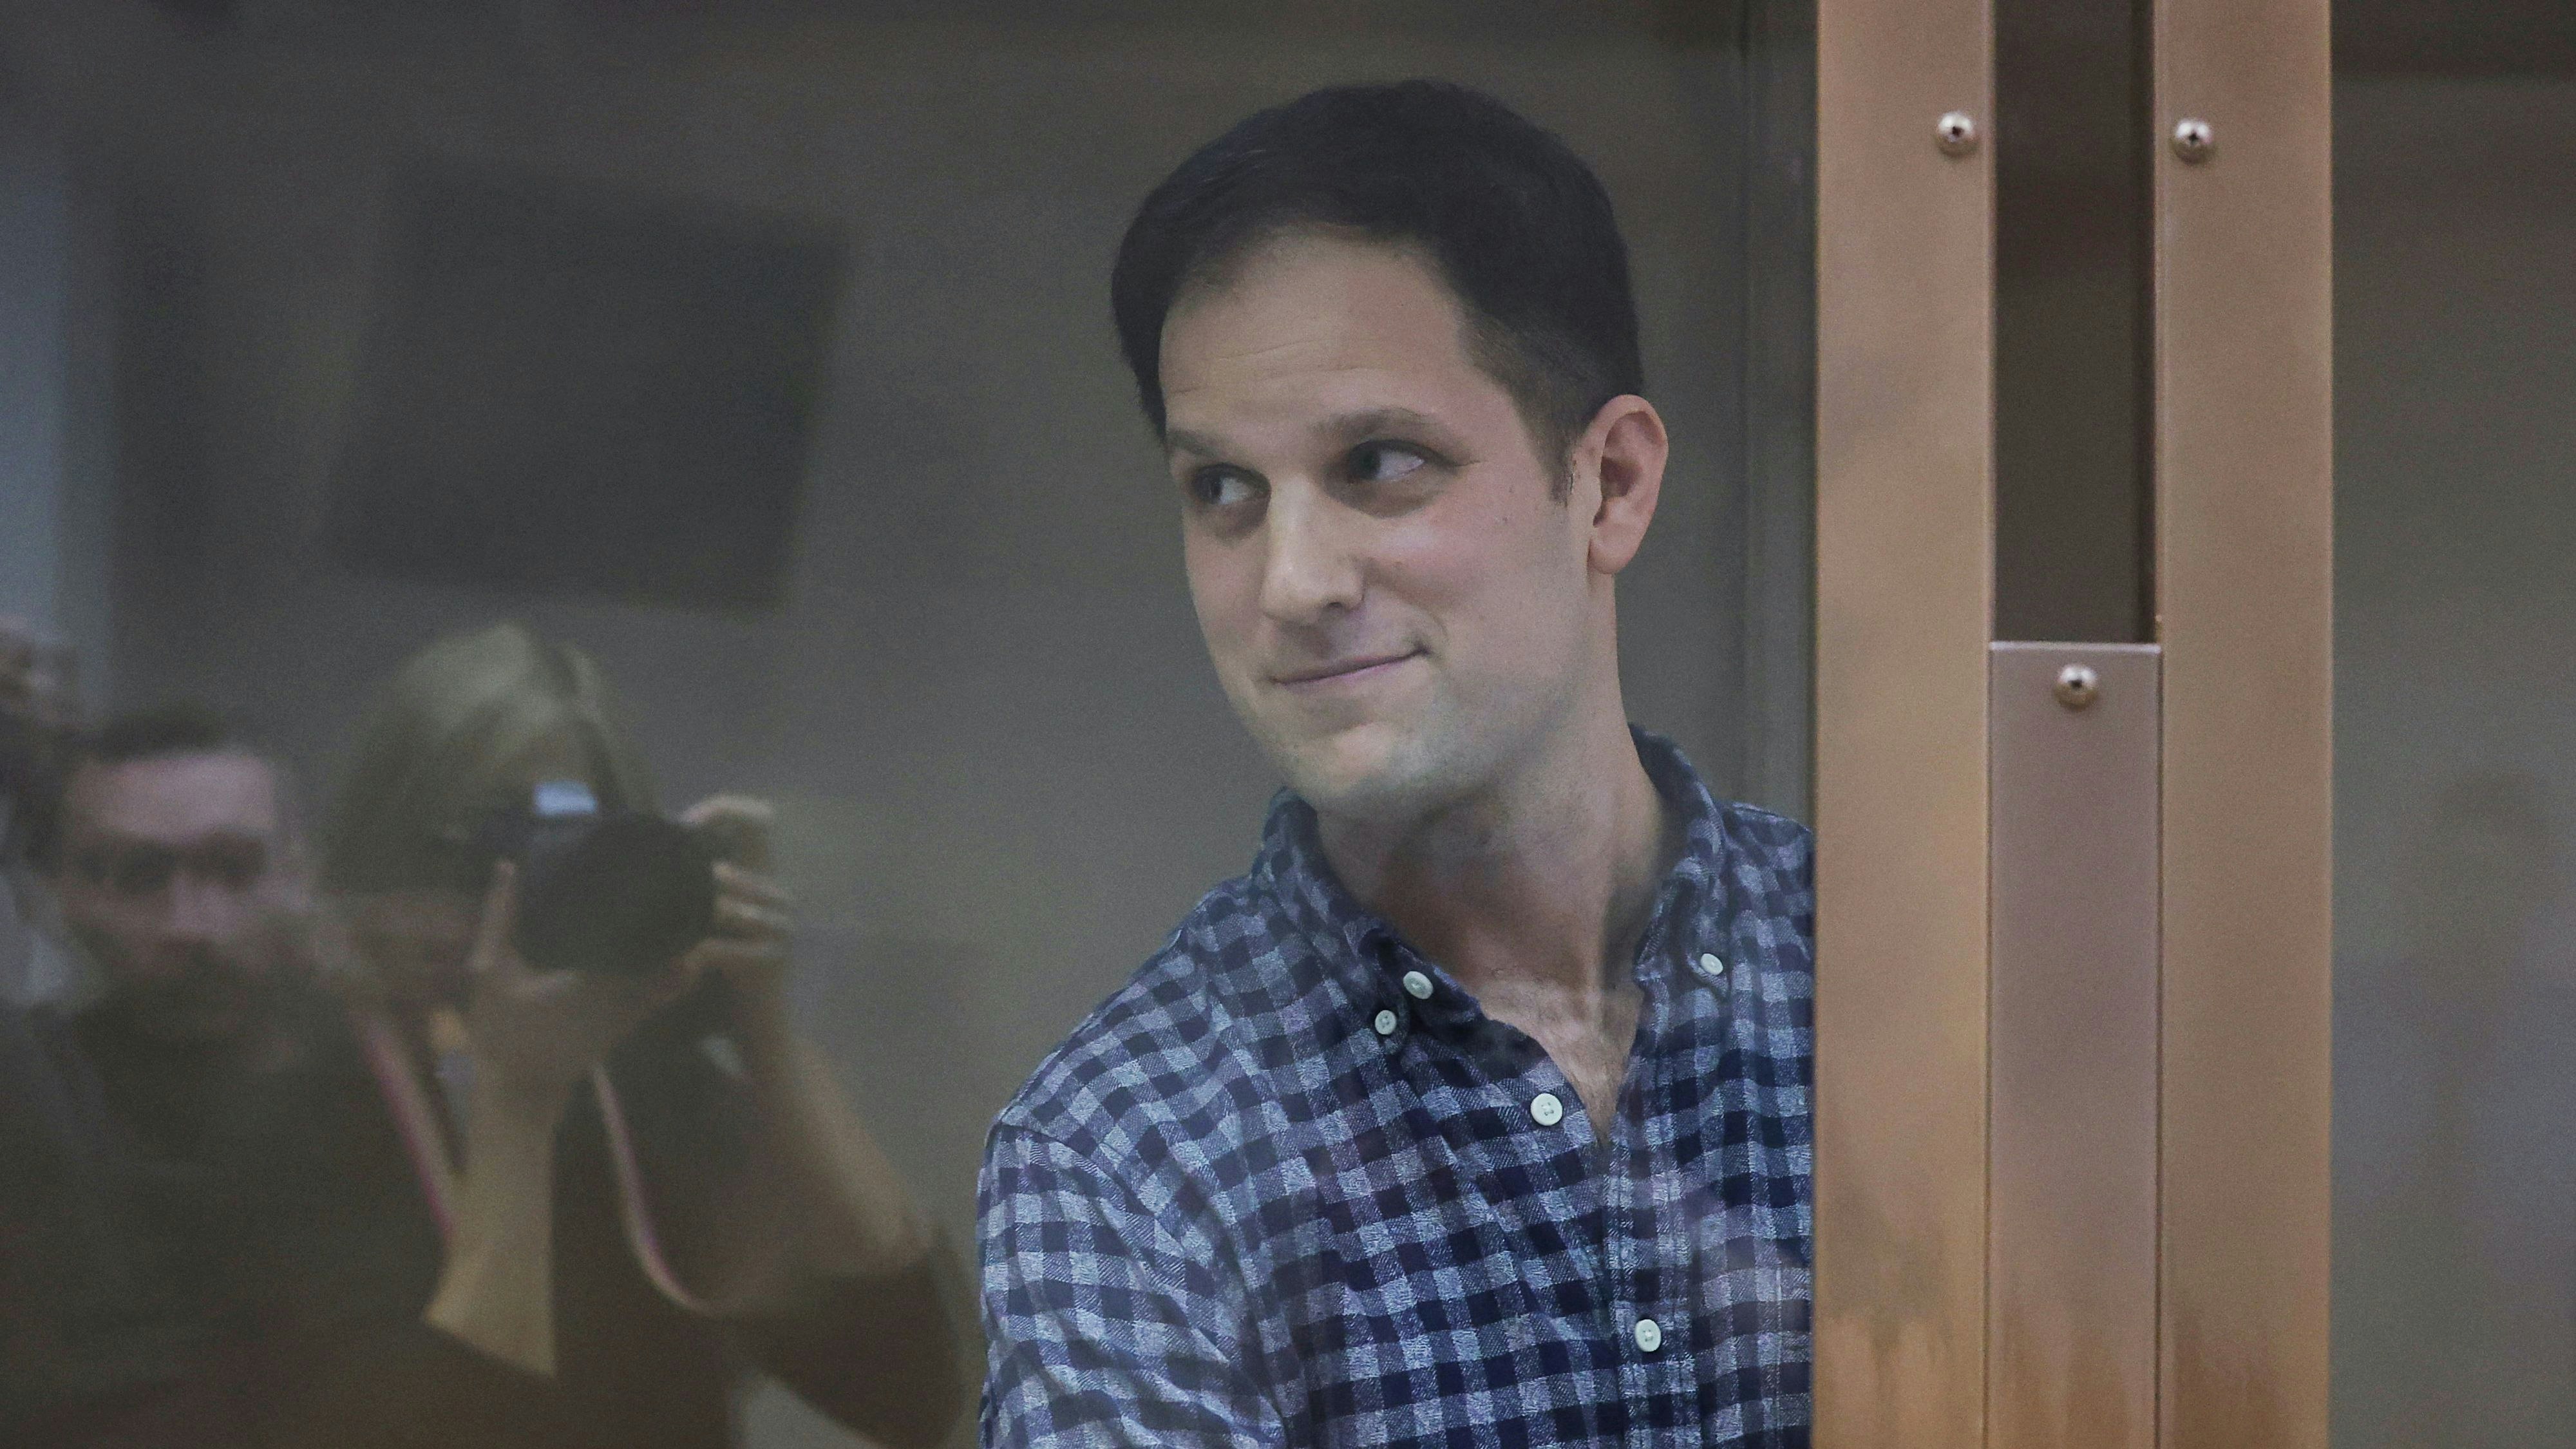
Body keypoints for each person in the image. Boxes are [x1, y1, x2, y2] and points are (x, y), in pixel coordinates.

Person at [978, 80, 1814, 1446]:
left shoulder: (1901, 985)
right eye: (1222, 491)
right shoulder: (1129, 1153)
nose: (1291, 582)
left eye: (1377, 463)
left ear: (1607, 485)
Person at [9, 629, 974, 1448]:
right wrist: (519, 1098)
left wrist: (764, 1019)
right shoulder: (277, 1095)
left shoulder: (644, 1089)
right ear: (377, 851)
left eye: (564, 848)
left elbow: (917, 1393)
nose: (514, 894)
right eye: (484, 849)